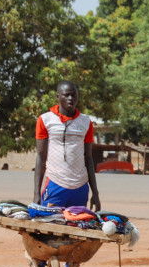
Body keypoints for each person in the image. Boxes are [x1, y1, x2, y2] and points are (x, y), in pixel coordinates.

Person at [33, 80, 101, 212]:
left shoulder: (86, 122)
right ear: (58, 97)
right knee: (49, 224)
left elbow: (88, 159)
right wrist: (36, 193)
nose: (71, 98)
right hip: (55, 183)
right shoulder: (45, 120)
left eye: (74, 95)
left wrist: (96, 193)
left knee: (76, 226)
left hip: (80, 186)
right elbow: (40, 157)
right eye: (66, 95)